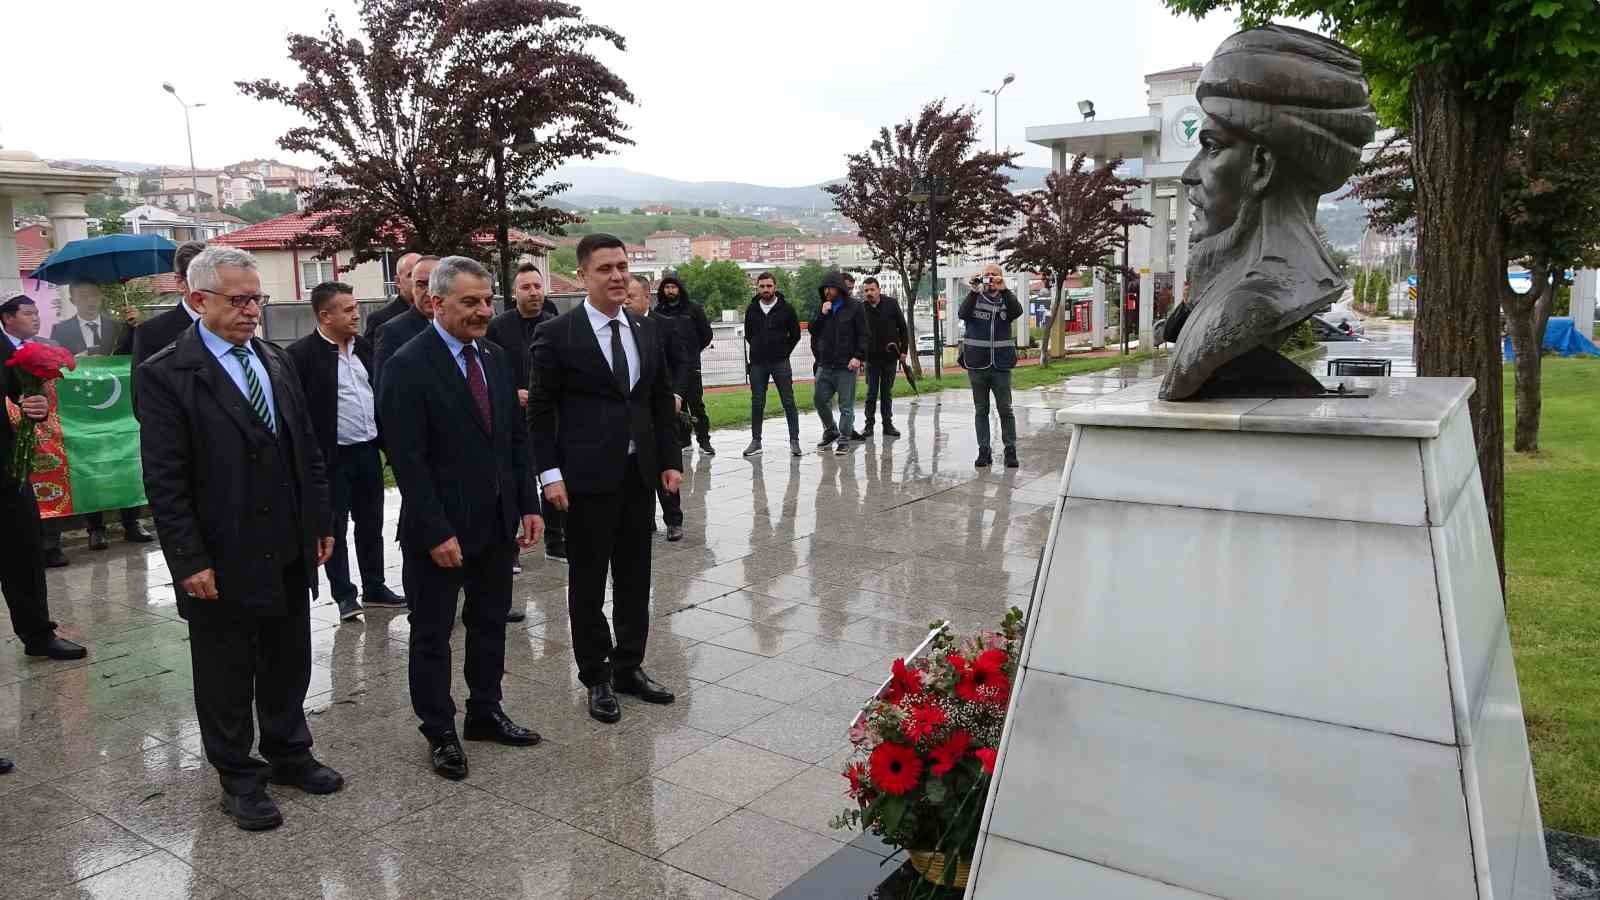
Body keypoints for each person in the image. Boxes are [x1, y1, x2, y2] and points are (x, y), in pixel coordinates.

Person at [135, 247, 342, 832]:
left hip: (287, 542)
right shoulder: (168, 372)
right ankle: (238, 776)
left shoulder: (275, 361)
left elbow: (307, 450)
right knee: (226, 671)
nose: (253, 309)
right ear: (199, 300)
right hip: (221, 552)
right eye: (240, 299)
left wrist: (320, 522)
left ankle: (288, 752)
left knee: (287, 655)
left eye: (258, 298)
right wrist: (188, 560)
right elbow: (165, 479)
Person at [380, 256, 544, 781]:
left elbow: (514, 440)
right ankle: (439, 730)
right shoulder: (407, 364)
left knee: (490, 621)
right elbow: (407, 459)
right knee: (431, 634)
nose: (483, 310)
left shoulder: (494, 357)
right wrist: (435, 530)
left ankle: (485, 711)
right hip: (439, 533)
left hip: (496, 525)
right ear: (437, 302)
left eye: (487, 300)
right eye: (469, 302)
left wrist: (527, 503)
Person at [1157, 26, 1377, 401]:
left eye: (1211, 147)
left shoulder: (1249, 306)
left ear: (1261, 165)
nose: (1189, 174)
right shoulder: (1230, 297)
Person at [529, 234, 682, 725]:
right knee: (589, 581)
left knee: (637, 577)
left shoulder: (644, 328)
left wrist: (669, 459)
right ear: (582, 276)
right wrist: (549, 474)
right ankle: (595, 675)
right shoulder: (559, 335)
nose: (617, 276)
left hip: (638, 477)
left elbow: (658, 398)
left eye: (622, 266)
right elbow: (542, 410)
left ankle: (629, 666)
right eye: (605, 269)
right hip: (585, 480)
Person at [286, 282, 404, 622]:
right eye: (348, 309)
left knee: (372, 523)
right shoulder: (301, 356)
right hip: (330, 458)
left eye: (356, 308)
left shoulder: (363, 348)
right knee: (333, 528)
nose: (356, 314)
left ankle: (375, 586)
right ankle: (344, 594)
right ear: (325, 315)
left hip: (367, 451)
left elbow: (375, 394)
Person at [0, 294, 89, 661]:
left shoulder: (10, 348)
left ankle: (38, 634)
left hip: (6, 470)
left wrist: (36, 406)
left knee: (23, 552)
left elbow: (25, 397)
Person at [44, 281, 154, 558]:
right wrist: (75, 360)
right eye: (82, 296)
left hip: (119, 407)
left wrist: (135, 328)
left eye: (93, 295)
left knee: (125, 458)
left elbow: (134, 356)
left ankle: (131, 521)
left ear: (101, 297)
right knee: (88, 462)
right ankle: (95, 527)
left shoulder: (119, 326)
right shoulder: (60, 330)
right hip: (84, 410)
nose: (89, 301)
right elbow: (57, 364)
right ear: (72, 299)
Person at [485, 263, 565, 581]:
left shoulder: (556, 324)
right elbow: (488, 368)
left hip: (548, 416)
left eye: (537, 286)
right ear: (514, 292)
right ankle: (511, 549)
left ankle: (556, 540)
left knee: (552, 473)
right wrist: (510, 392)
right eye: (526, 287)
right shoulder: (498, 327)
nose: (533, 293)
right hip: (510, 416)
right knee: (513, 482)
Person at [625, 275, 687, 541]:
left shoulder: (664, 325)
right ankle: (645, 519)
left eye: (632, 296)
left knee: (664, 459)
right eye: (624, 296)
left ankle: (673, 519)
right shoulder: (622, 327)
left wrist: (676, 393)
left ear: (646, 297)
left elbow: (682, 363)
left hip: (660, 405)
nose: (626, 300)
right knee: (639, 463)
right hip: (635, 410)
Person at [958, 263, 1024, 469]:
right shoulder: (974, 298)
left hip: (1001, 364)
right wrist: (973, 290)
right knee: (981, 410)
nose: (990, 279)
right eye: (986, 276)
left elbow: (1017, 311)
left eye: (994, 276)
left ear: (1000, 278)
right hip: (977, 364)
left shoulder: (1006, 300)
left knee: (1005, 408)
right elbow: (962, 314)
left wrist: (1005, 289)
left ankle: (1010, 450)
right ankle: (984, 450)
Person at [741, 272, 802, 458]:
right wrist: (759, 349)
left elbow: (796, 335)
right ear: (757, 288)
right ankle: (756, 441)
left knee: (788, 401)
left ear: (775, 287)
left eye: (769, 286)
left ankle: (794, 441)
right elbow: (749, 334)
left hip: (780, 362)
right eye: (762, 286)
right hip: (758, 364)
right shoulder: (751, 309)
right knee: (757, 402)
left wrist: (783, 351)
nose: (765, 289)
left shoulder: (787, 309)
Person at [652, 274, 714, 456]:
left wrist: (693, 350)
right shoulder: (659, 312)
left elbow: (706, 334)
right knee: (677, 406)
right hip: (670, 368)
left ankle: (704, 441)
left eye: (673, 287)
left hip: (692, 365)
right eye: (667, 287)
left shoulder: (693, 309)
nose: (670, 290)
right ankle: (684, 440)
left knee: (697, 405)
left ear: (679, 289)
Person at [808, 271, 867, 455]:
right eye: (825, 288)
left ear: (839, 289)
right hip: (825, 364)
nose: (827, 291)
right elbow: (813, 330)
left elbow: (864, 335)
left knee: (846, 406)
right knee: (819, 400)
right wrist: (822, 313)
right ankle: (831, 429)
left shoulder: (855, 307)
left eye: (830, 288)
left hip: (846, 365)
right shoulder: (823, 308)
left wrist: (858, 356)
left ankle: (844, 438)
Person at [131, 240, 208, 371]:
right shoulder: (151, 333)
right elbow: (143, 388)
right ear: (181, 283)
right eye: (203, 280)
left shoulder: (233, 325)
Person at [373, 255, 440, 396]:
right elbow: (386, 393)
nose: (429, 292)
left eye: (435, 284)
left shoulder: (462, 327)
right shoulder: (391, 332)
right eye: (421, 285)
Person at [859, 277, 909, 438]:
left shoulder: (891, 304)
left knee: (887, 393)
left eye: (872, 289)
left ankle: (888, 425)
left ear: (879, 290)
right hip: (871, 359)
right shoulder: (861, 309)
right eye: (866, 290)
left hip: (890, 357)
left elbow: (903, 328)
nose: (869, 293)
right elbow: (858, 334)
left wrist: (904, 351)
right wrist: (859, 356)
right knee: (871, 393)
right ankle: (868, 426)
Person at [364, 252, 422, 340]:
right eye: (411, 275)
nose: (419, 280)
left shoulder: (438, 315)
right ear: (398, 281)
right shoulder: (380, 319)